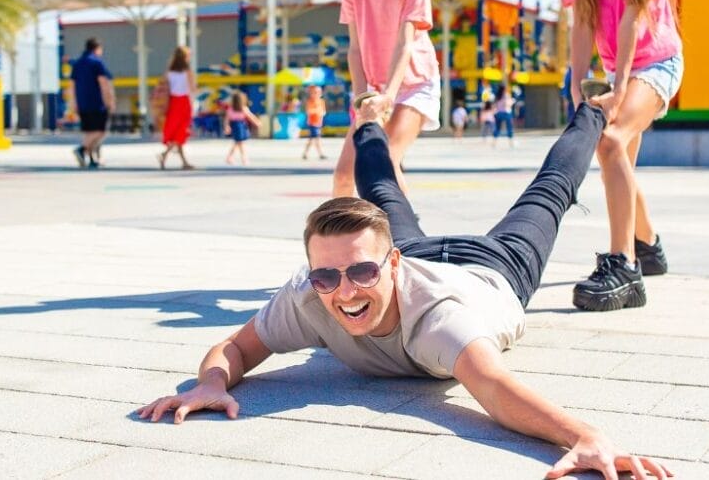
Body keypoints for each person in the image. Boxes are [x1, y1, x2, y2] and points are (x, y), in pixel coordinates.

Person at [139, 100, 672, 480]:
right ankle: (369, 118)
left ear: (390, 263)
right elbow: (235, 347)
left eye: (361, 273)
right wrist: (211, 383)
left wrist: (584, 437)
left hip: (493, 269)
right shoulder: (308, 293)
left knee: (548, 194)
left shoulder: (438, 319)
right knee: (381, 189)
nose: (344, 292)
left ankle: (592, 108)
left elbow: (493, 389)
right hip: (416, 254)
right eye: (326, 277)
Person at [558, 0, 683, 311]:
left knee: (610, 142)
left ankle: (624, 267)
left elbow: (632, 21)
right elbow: (581, 26)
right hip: (618, 70)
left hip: (657, 63)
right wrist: (577, 86)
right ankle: (647, 245)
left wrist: (620, 85)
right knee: (620, 159)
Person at [333, 0, 441, 197]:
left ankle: (406, 229)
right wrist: (362, 99)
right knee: (344, 176)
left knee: (386, 162)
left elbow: (405, 45)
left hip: (414, 86)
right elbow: (355, 50)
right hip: (374, 89)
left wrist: (388, 98)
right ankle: (342, 230)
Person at [70, 37, 116, 169]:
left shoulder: (77, 64)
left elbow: (72, 85)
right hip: (97, 102)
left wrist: (73, 103)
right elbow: (103, 83)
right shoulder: (97, 63)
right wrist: (110, 100)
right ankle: (82, 149)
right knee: (101, 131)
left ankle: (92, 158)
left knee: (89, 131)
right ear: (97, 49)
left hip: (82, 103)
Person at [157, 46, 197, 170]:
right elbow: (193, 88)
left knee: (175, 131)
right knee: (181, 132)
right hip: (183, 102)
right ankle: (164, 154)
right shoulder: (187, 71)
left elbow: (164, 88)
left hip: (173, 103)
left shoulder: (169, 72)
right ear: (185, 57)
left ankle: (182, 161)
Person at [224, 90, 261, 166]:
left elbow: (227, 119)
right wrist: (257, 122)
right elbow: (251, 117)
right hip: (239, 127)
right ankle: (244, 159)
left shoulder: (233, 109)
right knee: (240, 143)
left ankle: (230, 157)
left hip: (239, 127)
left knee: (237, 143)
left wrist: (227, 126)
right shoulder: (242, 109)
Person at [302, 85, 328, 160]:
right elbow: (308, 111)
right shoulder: (310, 101)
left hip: (318, 123)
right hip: (312, 123)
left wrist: (320, 113)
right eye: (314, 92)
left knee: (312, 139)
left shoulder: (321, 101)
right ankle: (320, 154)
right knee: (316, 138)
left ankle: (305, 153)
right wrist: (317, 111)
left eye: (317, 92)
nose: (315, 94)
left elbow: (323, 112)